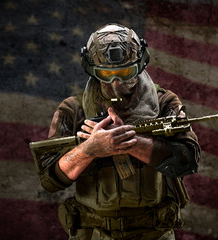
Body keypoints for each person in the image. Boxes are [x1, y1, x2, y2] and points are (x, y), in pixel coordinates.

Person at [39, 23, 200, 240]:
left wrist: (129, 142)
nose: (116, 82)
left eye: (125, 72)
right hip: (93, 232)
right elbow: (50, 179)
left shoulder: (164, 103)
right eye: (106, 73)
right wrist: (90, 149)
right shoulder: (73, 110)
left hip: (153, 232)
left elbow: (188, 160)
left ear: (140, 64)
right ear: (93, 70)